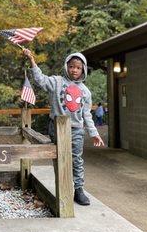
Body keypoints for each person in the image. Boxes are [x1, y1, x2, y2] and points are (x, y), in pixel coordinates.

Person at [23, 49, 104, 206]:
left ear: (83, 70)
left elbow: (87, 115)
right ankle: (62, 187)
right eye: (72, 66)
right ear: (66, 66)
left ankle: (79, 190)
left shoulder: (85, 92)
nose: (74, 70)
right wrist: (32, 60)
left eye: (78, 67)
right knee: (59, 157)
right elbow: (40, 80)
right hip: (57, 127)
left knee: (76, 159)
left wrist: (94, 133)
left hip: (76, 129)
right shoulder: (56, 82)